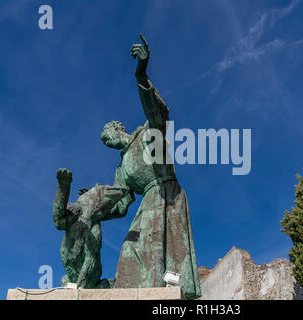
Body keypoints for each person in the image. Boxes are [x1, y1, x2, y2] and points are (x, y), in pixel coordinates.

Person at [100, 34, 201, 299]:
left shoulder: (145, 133)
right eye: (104, 141)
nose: (107, 141)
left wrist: (141, 76)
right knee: (128, 250)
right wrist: (92, 208)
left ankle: (163, 295)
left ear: (117, 129)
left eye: (107, 134)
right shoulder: (121, 168)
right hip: (147, 202)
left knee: (160, 260)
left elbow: (159, 115)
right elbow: (120, 204)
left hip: (166, 195)